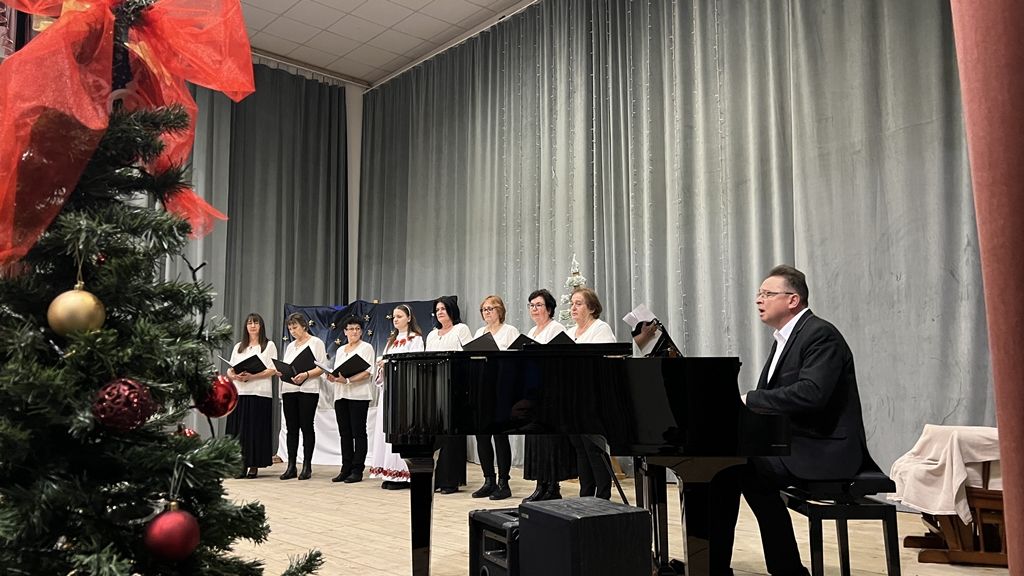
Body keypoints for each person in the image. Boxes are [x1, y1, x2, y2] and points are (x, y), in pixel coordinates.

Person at [712, 264, 870, 576]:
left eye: (767, 294)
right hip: (798, 443)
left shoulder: (820, 335)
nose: (759, 300)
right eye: (759, 294)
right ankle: (738, 566)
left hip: (825, 449)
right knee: (727, 467)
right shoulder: (786, 338)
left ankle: (745, 567)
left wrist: (749, 399)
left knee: (736, 467)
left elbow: (812, 393)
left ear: (792, 300)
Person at [521, 289, 576, 502]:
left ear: (550, 309)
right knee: (536, 439)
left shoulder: (556, 328)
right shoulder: (532, 331)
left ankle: (553, 486)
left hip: (551, 392)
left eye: (539, 305)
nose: (534, 309)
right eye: (531, 305)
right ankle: (540, 484)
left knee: (549, 440)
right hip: (534, 390)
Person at [368, 304, 424, 489]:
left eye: (399, 316)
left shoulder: (415, 339)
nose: (396, 319)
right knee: (387, 430)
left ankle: (403, 474)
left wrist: (391, 364)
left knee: (401, 430)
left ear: (409, 318)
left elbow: (415, 364)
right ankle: (388, 471)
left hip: (404, 391)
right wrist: (382, 367)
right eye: (394, 317)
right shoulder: (391, 341)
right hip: (389, 391)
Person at [567, 287, 616, 499]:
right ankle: (586, 493)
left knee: (594, 446)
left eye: (578, 304)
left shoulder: (600, 328)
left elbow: (605, 362)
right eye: (572, 304)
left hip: (593, 396)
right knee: (579, 446)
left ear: (592, 307)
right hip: (573, 396)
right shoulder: (570, 333)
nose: (573, 308)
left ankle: (603, 495)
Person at [471, 295, 520, 500]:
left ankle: (503, 482)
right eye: (484, 309)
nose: (487, 312)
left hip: (502, 388)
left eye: (490, 308)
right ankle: (488, 480)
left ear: (500, 310)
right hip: (483, 388)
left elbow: (515, 360)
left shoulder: (509, 331)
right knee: (482, 435)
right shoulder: (479, 333)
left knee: (500, 435)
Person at [425, 296, 473, 494]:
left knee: (452, 434)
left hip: (455, 386)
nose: (440, 312)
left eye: (443, 309)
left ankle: (451, 480)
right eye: (437, 310)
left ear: (452, 310)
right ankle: (437, 479)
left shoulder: (461, 329)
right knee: (437, 434)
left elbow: (468, 356)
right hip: (434, 387)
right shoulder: (431, 334)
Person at [225, 313, 278, 479]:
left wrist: (252, 376)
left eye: (256, 323)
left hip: (259, 393)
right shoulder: (239, 346)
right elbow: (230, 368)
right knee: (239, 431)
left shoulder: (268, 345)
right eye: (249, 323)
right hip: (239, 393)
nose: (252, 326)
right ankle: (239, 465)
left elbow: (272, 369)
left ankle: (254, 465)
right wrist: (234, 375)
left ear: (261, 326)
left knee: (255, 430)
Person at [277, 312, 327, 481]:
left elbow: (322, 367)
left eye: (295, 327)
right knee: (291, 428)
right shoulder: (290, 346)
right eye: (290, 328)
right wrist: (282, 372)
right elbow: (288, 367)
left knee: (306, 426)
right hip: (289, 389)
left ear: (304, 326)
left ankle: (307, 465)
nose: (293, 331)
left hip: (308, 389)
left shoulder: (316, 343)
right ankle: (291, 465)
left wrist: (306, 374)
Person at [325, 316, 375, 484]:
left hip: (358, 395)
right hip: (341, 395)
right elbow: (338, 371)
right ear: (345, 332)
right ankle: (345, 468)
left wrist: (347, 380)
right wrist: (333, 377)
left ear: (361, 332)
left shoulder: (366, 347)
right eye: (351, 329)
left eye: (357, 329)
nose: (354, 332)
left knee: (358, 433)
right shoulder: (340, 350)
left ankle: (357, 469)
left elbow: (367, 372)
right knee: (344, 433)